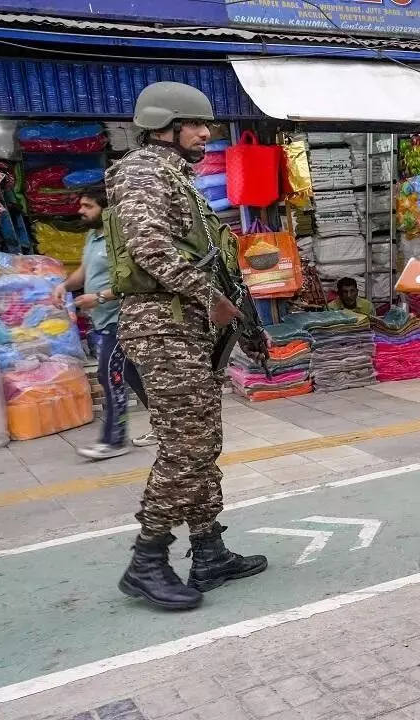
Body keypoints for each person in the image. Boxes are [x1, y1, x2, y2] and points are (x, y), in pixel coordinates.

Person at [107, 81, 267, 611]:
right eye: (196, 124)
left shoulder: (175, 178)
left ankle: (209, 550)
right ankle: (147, 559)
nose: (206, 132)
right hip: (164, 329)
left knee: (202, 444)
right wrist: (212, 298)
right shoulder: (143, 171)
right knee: (187, 448)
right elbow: (150, 248)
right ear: (165, 126)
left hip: (187, 331)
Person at [52, 187, 157, 460]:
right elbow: (84, 272)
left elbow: (137, 280)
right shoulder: (93, 237)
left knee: (109, 377)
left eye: (88, 206)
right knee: (132, 374)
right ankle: (166, 423)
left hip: (122, 319)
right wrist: (64, 285)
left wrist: (98, 297)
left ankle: (114, 440)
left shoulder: (120, 240)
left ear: (106, 209)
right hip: (103, 321)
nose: (81, 211)